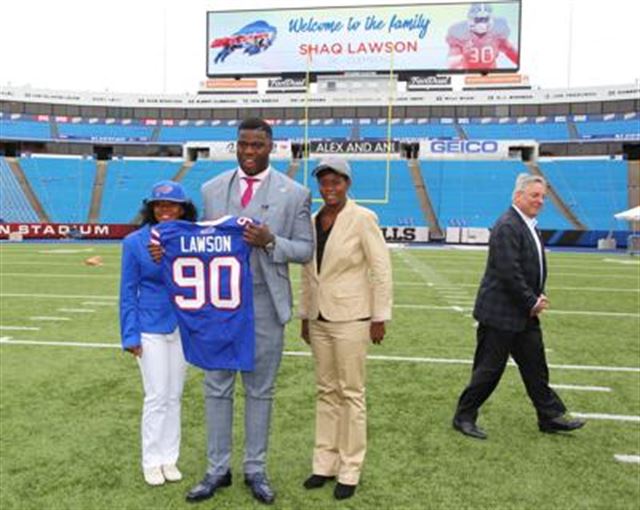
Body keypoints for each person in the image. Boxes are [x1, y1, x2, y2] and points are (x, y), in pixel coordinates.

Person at [185, 117, 313, 505]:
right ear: (236, 145)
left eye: (257, 145)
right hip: (219, 304)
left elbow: (306, 250)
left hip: (263, 302)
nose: (249, 152)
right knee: (216, 386)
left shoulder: (295, 193)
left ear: (270, 147)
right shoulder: (210, 189)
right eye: (243, 144)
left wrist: (271, 241)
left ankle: (255, 469)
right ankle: (216, 469)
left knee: (260, 391)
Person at [452, 174, 586, 440]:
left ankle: (548, 416)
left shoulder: (527, 224)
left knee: (536, 366)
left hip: (522, 312)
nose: (540, 201)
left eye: (543, 197)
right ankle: (463, 416)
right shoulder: (507, 225)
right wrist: (531, 300)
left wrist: (539, 294)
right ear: (518, 196)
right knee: (489, 370)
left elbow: (531, 266)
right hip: (501, 313)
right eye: (534, 195)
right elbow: (508, 272)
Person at [298, 157, 392, 500]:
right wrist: (306, 316)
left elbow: (381, 269)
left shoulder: (363, 218)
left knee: (351, 392)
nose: (329, 188)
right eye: (324, 182)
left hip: (352, 317)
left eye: (335, 182)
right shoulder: (312, 221)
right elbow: (309, 274)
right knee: (326, 391)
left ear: (347, 183)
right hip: (320, 318)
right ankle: (324, 463)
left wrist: (379, 316)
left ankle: (350, 468)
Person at [119, 180, 198, 486]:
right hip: (149, 325)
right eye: (159, 205)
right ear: (151, 208)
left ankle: (169, 458)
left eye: (171, 205)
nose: (165, 210)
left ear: (182, 209)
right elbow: (128, 292)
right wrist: (130, 335)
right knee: (156, 396)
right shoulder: (134, 242)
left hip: (183, 325)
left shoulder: (192, 237)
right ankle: (151, 460)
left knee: (175, 396)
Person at [446, 3, 519, 70]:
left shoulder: (497, 32)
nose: (481, 23)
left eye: (485, 19)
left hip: (491, 77)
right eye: (478, 19)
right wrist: (463, 57)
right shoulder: (459, 32)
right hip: (468, 77)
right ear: (471, 19)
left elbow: (512, 53)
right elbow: (451, 64)